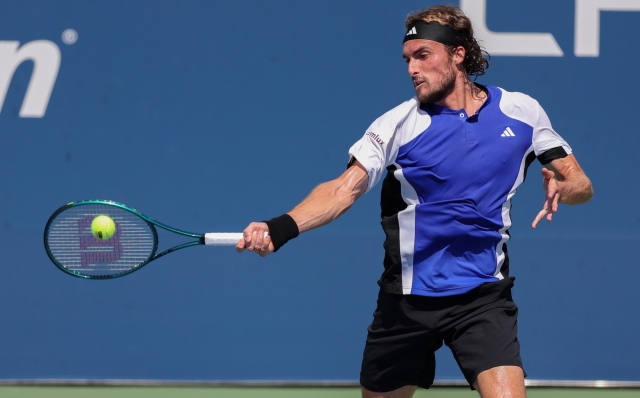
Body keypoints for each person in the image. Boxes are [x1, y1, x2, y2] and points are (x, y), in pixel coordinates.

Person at [236, 5, 593, 398]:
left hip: (482, 296)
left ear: (458, 54)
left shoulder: (522, 111)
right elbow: (344, 189)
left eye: (423, 55)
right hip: (406, 301)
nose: (412, 69)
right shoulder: (396, 125)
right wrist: (280, 227)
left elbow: (579, 181)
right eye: (408, 59)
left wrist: (565, 187)